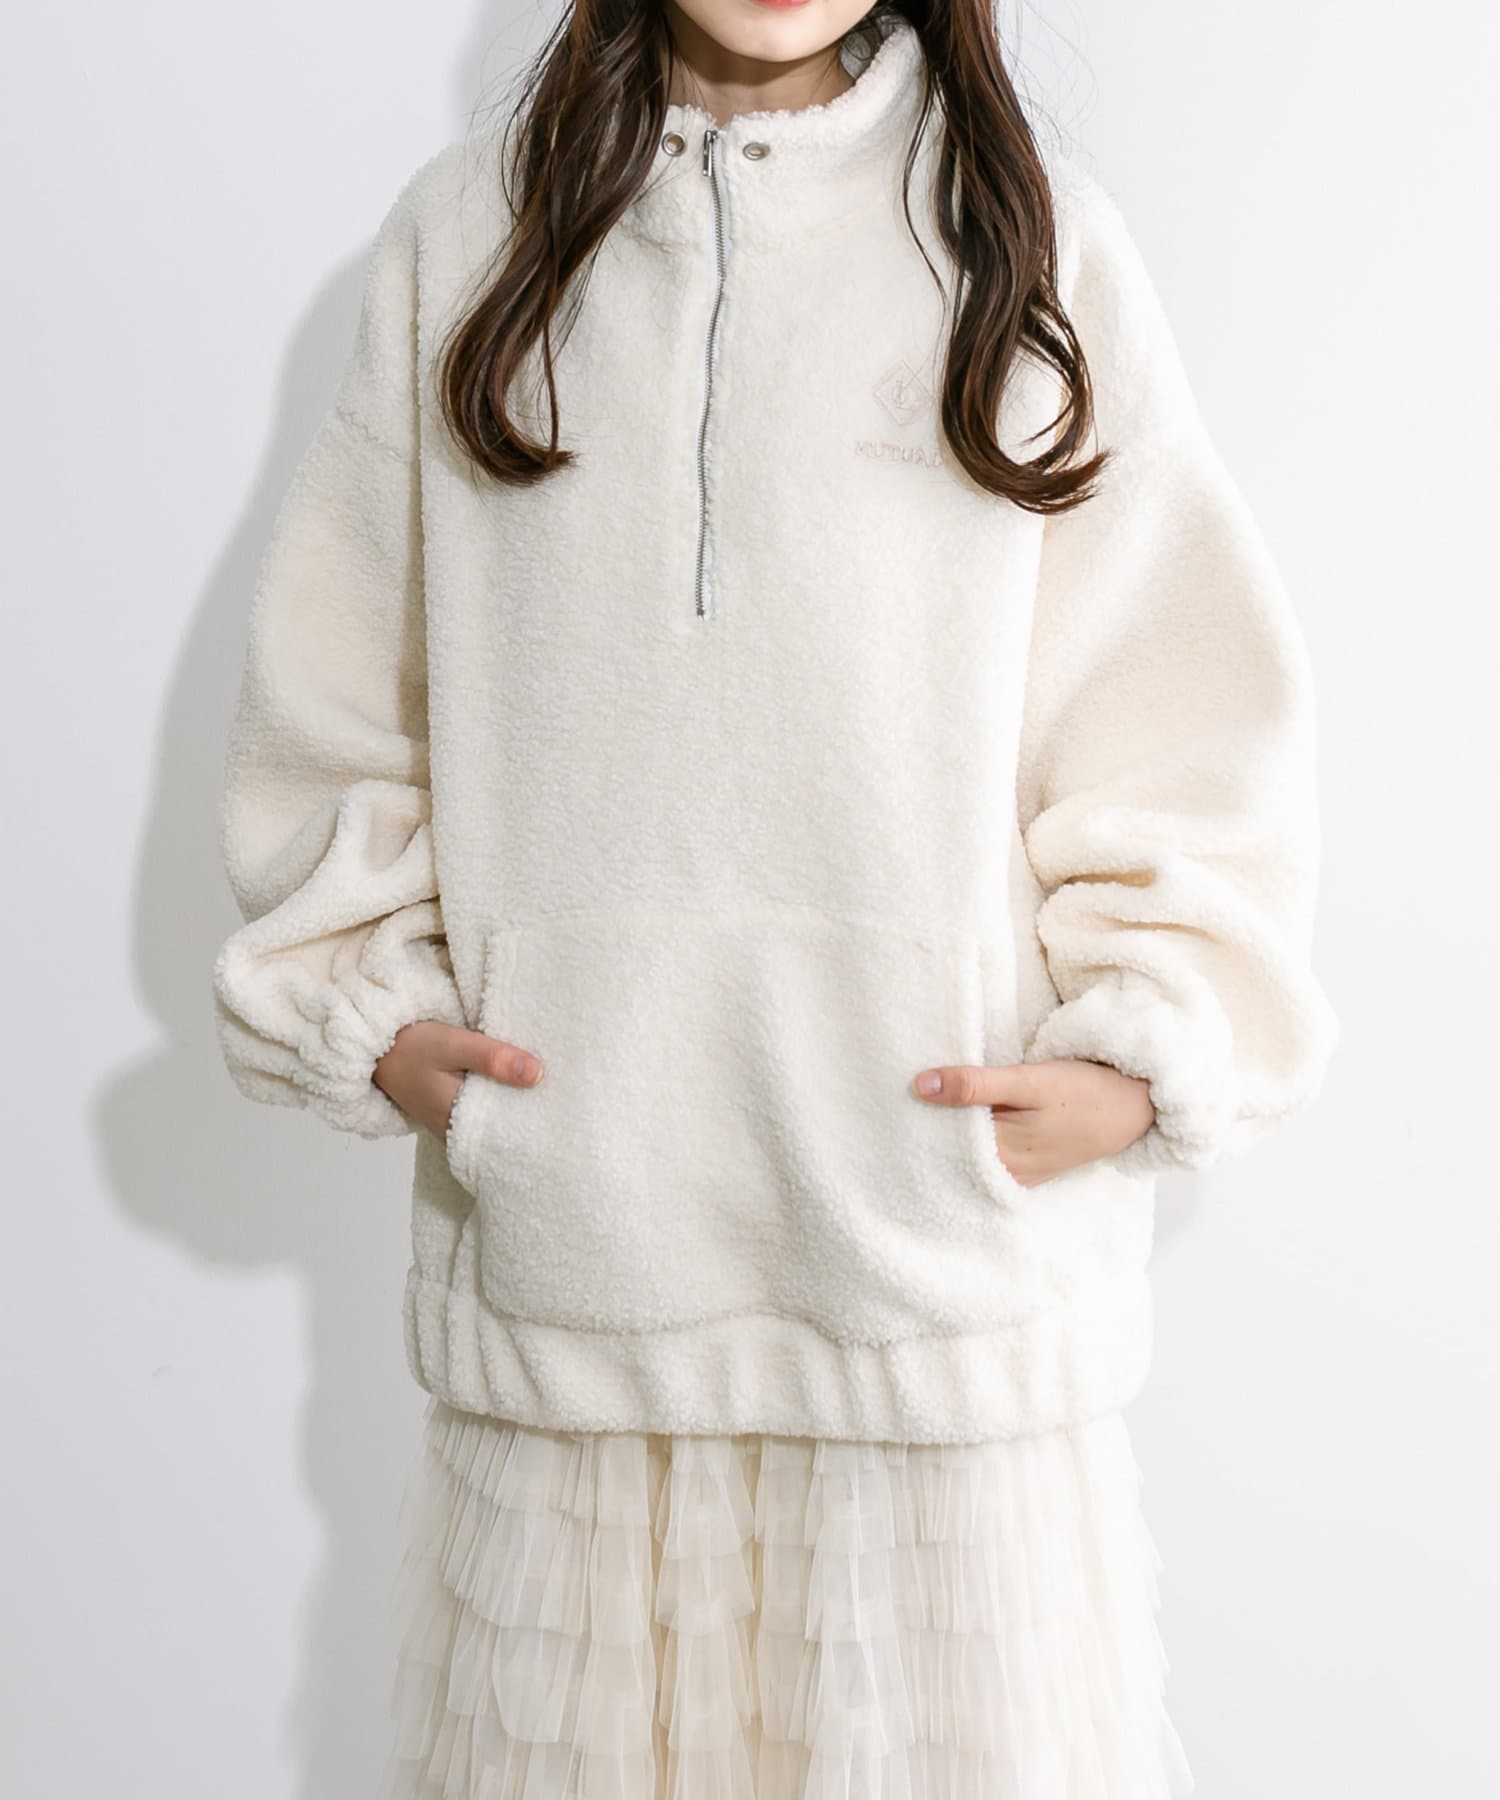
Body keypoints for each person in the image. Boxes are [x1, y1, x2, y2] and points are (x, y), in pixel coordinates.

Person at [210, 2, 1340, 1794]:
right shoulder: (469, 237)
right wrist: (372, 1006)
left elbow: (1175, 701)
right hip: (578, 1261)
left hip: (933, 1270)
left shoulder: (1028, 248)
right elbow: (341, 680)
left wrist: (1150, 1048)